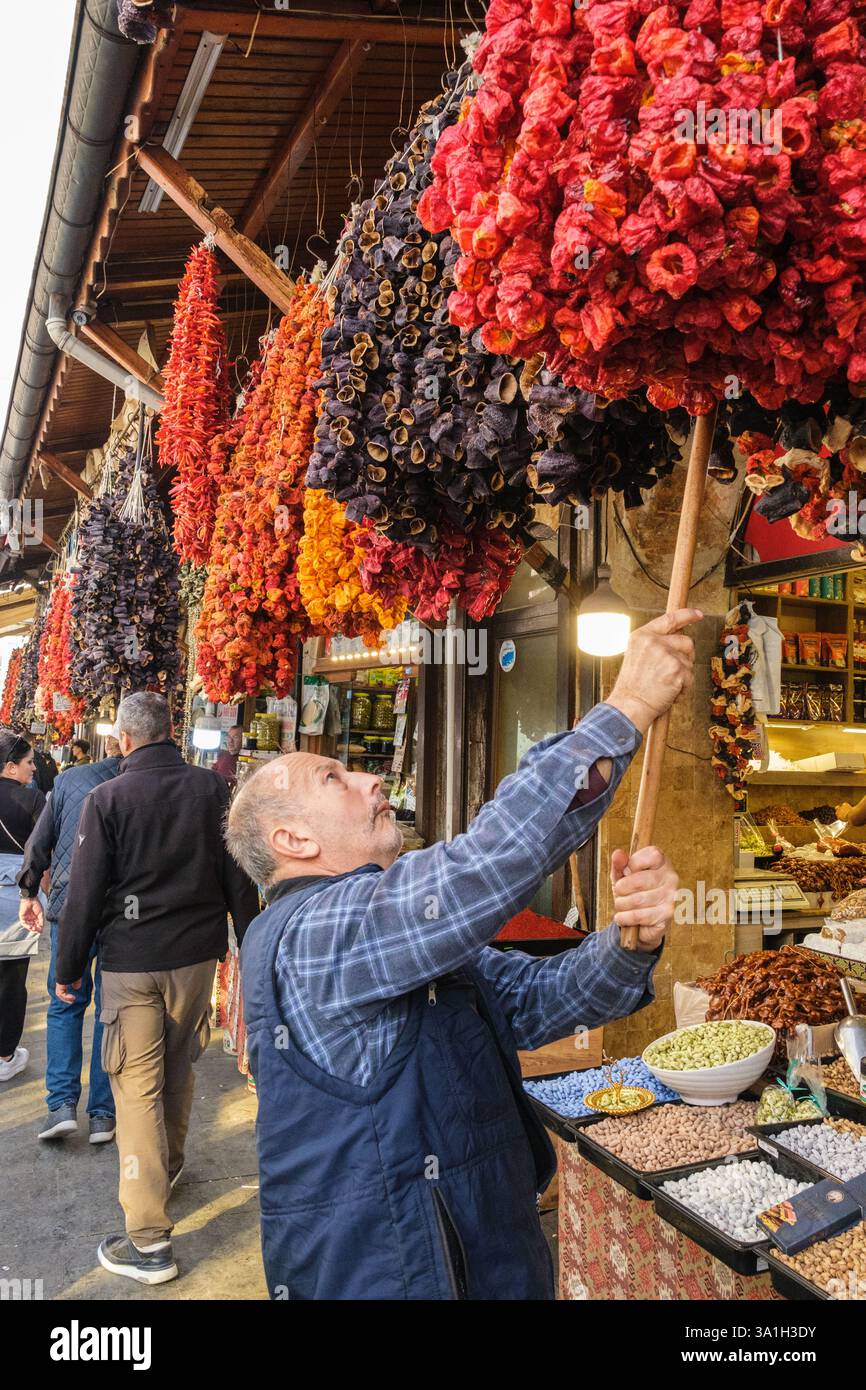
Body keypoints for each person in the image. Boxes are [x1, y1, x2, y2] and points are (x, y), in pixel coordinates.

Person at [226, 610, 699, 1301]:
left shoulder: (389, 935)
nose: (369, 782)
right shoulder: (316, 933)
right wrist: (625, 707)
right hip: (396, 1276)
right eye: (335, 779)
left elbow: (538, 1001)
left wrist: (628, 946)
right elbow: (488, 864)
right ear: (293, 840)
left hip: (481, 1255)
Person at [55, 692, 260, 1286]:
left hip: (131, 964)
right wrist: (254, 944)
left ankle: (148, 1242)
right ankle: (163, 1170)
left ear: (123, 739)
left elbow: (84, 896)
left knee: (135, 1089)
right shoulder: (211, 792)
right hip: (196, 960)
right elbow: (238, 877)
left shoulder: (107, 798)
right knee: (176, 1069)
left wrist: (69, 970)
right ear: (173, 732)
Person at [18, 737, 123, 1143]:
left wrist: (29, 893)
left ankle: (61, 1105)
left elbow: (39, 844)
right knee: (108, 1012)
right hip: (121, 914)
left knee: (65, 1003)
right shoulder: (146, 783)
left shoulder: (69, 781)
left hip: (70, 906)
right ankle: (102, 1114)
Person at [0, 732, 46, 1083]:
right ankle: (4, 1055)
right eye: (29, 762)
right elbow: (42, 852)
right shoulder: (33, 802)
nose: (34, 768)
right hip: (14, 894)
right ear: (11, 766)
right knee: (12, 979)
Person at [213, 724, 243, 790]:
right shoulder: (224, 755)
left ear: (244, 740)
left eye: (235, 737)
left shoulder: (246, 760)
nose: (230, 741)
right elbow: (212, 773)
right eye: (229, 737)